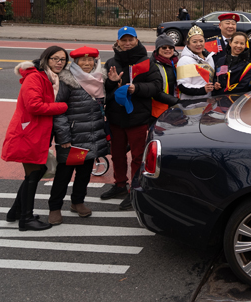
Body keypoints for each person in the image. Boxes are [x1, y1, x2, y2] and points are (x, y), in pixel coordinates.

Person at [2, 46, 69, 231]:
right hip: (28, 133)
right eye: (55, 58)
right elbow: (34, 106)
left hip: (37, 133)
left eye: (63, 59)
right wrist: (63, 106)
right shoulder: (35, 78)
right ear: (46, 59)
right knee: (33, 174)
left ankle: (16, 211)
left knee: (37, 172)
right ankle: (26, 219)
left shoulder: (50, 78)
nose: (59, 62)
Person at [102, 26, 162, 210]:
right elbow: (105, 89)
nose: (127, 43)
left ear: (136, 40)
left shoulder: (146, 61)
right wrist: (111, 82)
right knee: (117, 154)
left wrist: (136, 88)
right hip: (116, 117)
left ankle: (134, 190)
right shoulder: (112, 61)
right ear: (118, 41)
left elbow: (156, 86)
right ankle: (120, 184)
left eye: (130, 40)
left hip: (138, 117)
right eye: (124, 40)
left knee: (137, 156)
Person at [48, 46, 109, 226]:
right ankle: (55, 207)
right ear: (75, 62)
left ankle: (77, 202)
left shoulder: (100, 79)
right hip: (73, 139)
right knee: (64, 174)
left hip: (92, 135)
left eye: (90, 59)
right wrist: (64, 138)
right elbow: (59, 111)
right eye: (83, 60)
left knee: (84, 174)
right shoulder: (68, 81)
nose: (87, 63)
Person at [177, 25, 217, 100]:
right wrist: (203, 90)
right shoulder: (184, 60)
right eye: (194, 42)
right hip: (191, 104)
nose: (198, 44)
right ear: (188, 44)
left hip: (207, 102)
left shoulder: (209, 58)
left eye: (201, 41)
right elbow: (182, 86)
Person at [151, 35, 180, 118]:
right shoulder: (153, 65)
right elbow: (156, 92)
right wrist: (176, 101)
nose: (168, 49)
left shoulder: (176, 63)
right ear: (157, 49)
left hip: (176, 108)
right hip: (159, 111)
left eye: (170, 47)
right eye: (164, 47)